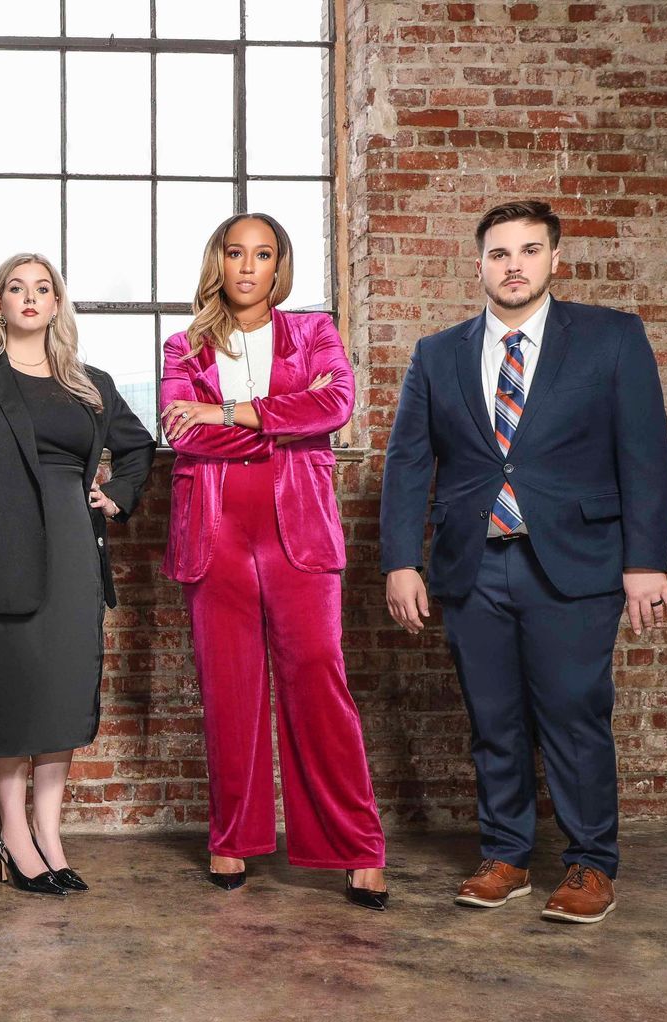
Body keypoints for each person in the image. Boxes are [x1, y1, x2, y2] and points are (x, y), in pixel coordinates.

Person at [381, 199, 667, 924]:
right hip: (472, 564)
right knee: (493, 717)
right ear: (479, 263)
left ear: (552, 258)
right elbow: (407, 464)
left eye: (529, 251)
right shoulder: (437, 353)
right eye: (499, 253)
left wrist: (646, 562)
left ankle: (588, 864)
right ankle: (506, 854)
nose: (514, 265)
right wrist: (400, 561)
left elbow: (645, 456)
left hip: (576, 560)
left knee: (574, 713)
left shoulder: (611, 339)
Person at [158, 213, 389, 910]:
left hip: (300, 534)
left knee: (318, 681)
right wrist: (281, 425)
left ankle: (358, 848)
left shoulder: (312, 333)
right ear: (218, 263)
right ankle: (232, 836)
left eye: (264, 254)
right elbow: (180, 430)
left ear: (280, 265)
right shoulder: (183, 345)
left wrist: (229, 415)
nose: (249, 267)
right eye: (236, 253)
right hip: (216, 532)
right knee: (230, 691)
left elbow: (338, 404)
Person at [0, 252, 154, 895]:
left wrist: (117, 495)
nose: (29, 297)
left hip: (72, 550)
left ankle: (50, 837)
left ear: (57, 304)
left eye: (42, 288)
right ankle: (13, 836)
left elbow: (138, 448)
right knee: (12, 698)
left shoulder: (92, 384)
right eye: (15, 288)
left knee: (61, 698)